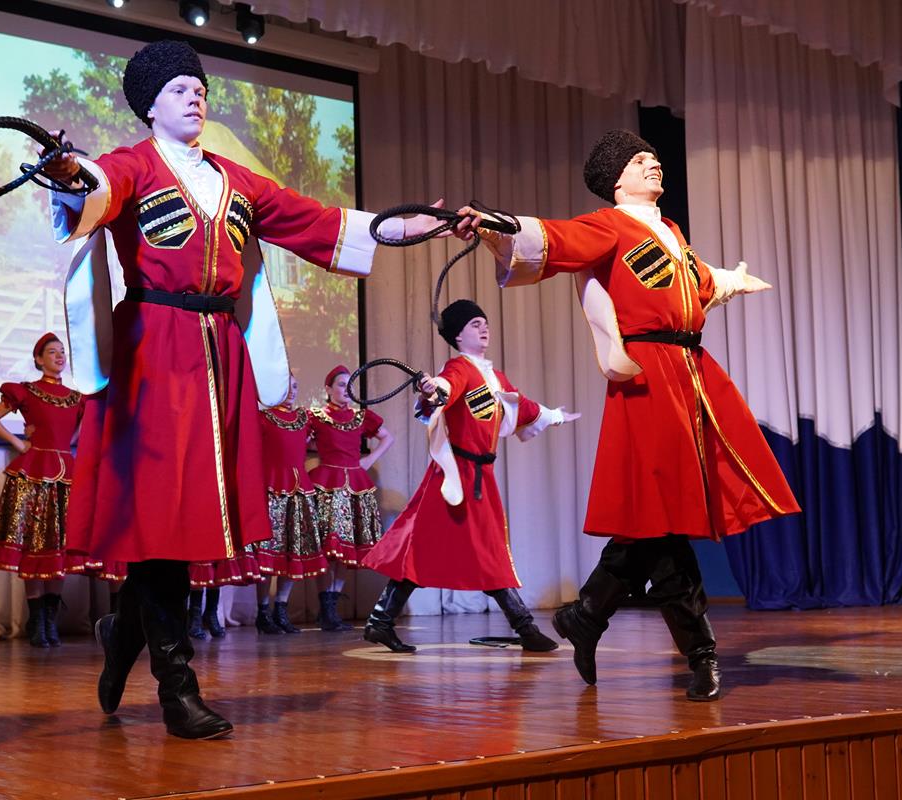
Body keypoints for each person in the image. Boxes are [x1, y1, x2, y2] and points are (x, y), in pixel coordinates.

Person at [40, 40, 456, 738]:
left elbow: (313, 220)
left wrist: (402, 227)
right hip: (153, 351)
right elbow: (94, 189)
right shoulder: (132, 166)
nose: (195, 97)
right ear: (149, 107)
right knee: (160, 518)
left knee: (178, 525)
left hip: (218, 355)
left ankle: (125, 630)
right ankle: (177, 687)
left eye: (199, 88)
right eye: (178, 90)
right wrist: (69, 174)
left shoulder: (236, 180)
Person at [459, 129, 800, 701]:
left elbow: (697, 280)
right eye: (641, 161)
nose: (654, 164)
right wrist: (496, 225)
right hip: (649, 375)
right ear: (617, 180)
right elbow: (555, 239)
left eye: (654, 158)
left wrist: (733, 281)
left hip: (688, 371)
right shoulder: (609, 226)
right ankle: (695, 650)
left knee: (657, 517)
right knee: (662, 516)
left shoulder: (671, 232)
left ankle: (590, 614)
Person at [360, 300, 579, 653]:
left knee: (476, 549)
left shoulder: (495, 377)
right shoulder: (459, 367)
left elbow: (522, 406)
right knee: (434, 547)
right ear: (459, 336)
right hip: (455, 476)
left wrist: (554, 416)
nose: (484, 328)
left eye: (485, 323)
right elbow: (447, 387)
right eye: (475, 324)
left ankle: (380, 622)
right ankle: (524, 628)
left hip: (479, 477)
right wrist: (434, 390)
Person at [0, 333, 87, 648]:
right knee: (33, 546)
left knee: (58, 547)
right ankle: (37, 621)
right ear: (38, 359)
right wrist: (19, 443)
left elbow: (75, 435)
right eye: (52, 352)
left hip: (64, 476)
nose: (59, 356)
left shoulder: (77, 399)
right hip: (34, 473)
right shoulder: (27, 391)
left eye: (62, 352)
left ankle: (50, 621)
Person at [308, 364, 394, 630]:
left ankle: (332, 607)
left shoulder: (360, 416)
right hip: (327, 486)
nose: (347, 390)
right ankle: (325, 606)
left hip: (354, 486)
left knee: (345, 549)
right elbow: (300, 441)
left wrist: (369, 460)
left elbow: (387, 438)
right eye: (342, 385)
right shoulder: (317, 416)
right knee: (327, 549)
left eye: (350, 386)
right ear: (328, 389)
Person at [250, 373, 325, 635]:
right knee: (268, 555)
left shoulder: (305, 418)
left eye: (295, 386)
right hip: (272, 490)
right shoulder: (263, 417)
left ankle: (281, 609)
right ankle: (262, 612)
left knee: (294, 553)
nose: (292, 391)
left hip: (300, 491)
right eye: (287, 387)